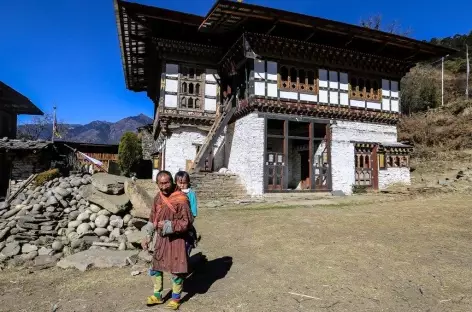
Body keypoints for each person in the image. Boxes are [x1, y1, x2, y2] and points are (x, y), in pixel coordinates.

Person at [141, 170, 193, 310]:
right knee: (156, 267)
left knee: (176, 270)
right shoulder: (158, 198)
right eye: (160, 184)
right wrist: (147, 236)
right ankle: (157, 296)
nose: (164, 187)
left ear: (172, 182)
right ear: (157, 184)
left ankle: (176, 299)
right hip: (161, 240)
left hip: (177, 240)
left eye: (166, 183)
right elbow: (153, 218)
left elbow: (186, 222)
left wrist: (169, 225)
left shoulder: (181, 199)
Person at [174, 171, 198, 257]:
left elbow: (193, 207)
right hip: (176, 220)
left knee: (188, 237)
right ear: (176, 182)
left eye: (184, 183)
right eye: (180, 183)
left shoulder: (191, 193)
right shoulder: (174, 193)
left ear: (188, 182)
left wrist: (192, 217)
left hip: (187, 219)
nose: (182, 185)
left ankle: (189, 246)